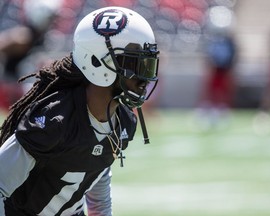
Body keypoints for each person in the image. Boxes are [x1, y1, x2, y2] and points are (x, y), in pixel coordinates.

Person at [0, 6, 159, 216]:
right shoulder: (55, 119)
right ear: (96, 61)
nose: (143, 78)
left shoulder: (123, 120)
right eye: (134, 64)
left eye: (146, 64)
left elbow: (98, 172)